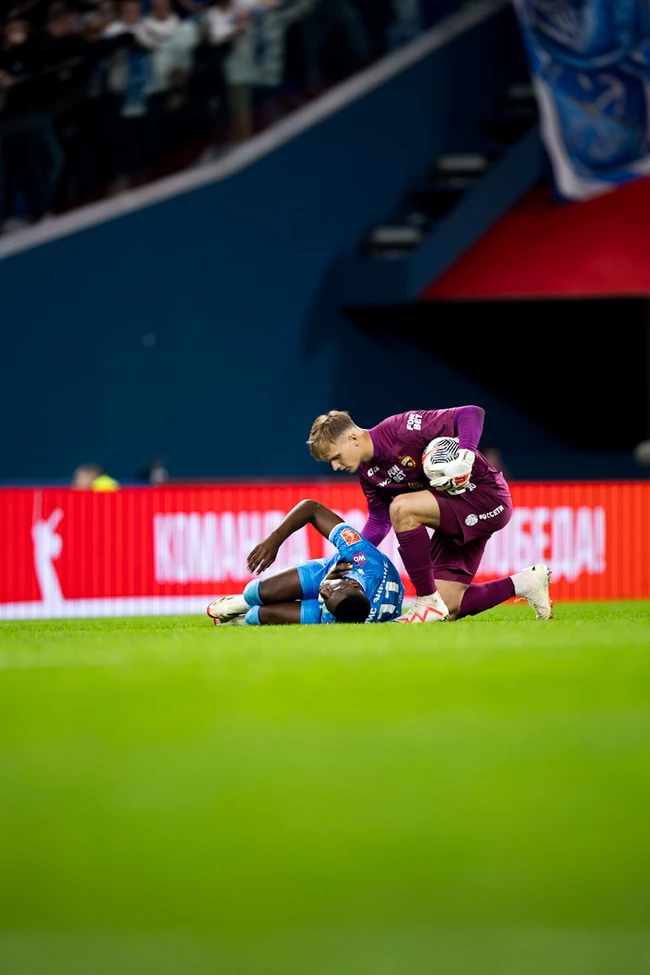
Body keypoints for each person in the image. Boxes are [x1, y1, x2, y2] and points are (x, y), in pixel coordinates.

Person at [307, 407, 553, 624]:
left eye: (336, 457)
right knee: (448, 606)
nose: (336, 466)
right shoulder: (369, 474)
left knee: (402, 508)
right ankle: (526, 582)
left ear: (352, 438)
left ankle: (426, 601)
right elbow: (379, 522)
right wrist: (347, 557)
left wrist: (466, 457)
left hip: (485, 496)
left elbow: (471, 413)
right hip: (456, 512)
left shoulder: (400, 428)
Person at [207, 498, 404, 625]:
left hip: (340, 596)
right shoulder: (360, 555)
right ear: (353, 583)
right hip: (331, 571)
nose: (323, 592)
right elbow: (312, 508)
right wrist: (275, 539)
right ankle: (241, 602)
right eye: (330, 592)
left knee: (255, 616)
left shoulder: (341, 617)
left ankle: (241, 620)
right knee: (254, 592)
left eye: (326, 599)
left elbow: (334, 602)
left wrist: (330, 595)